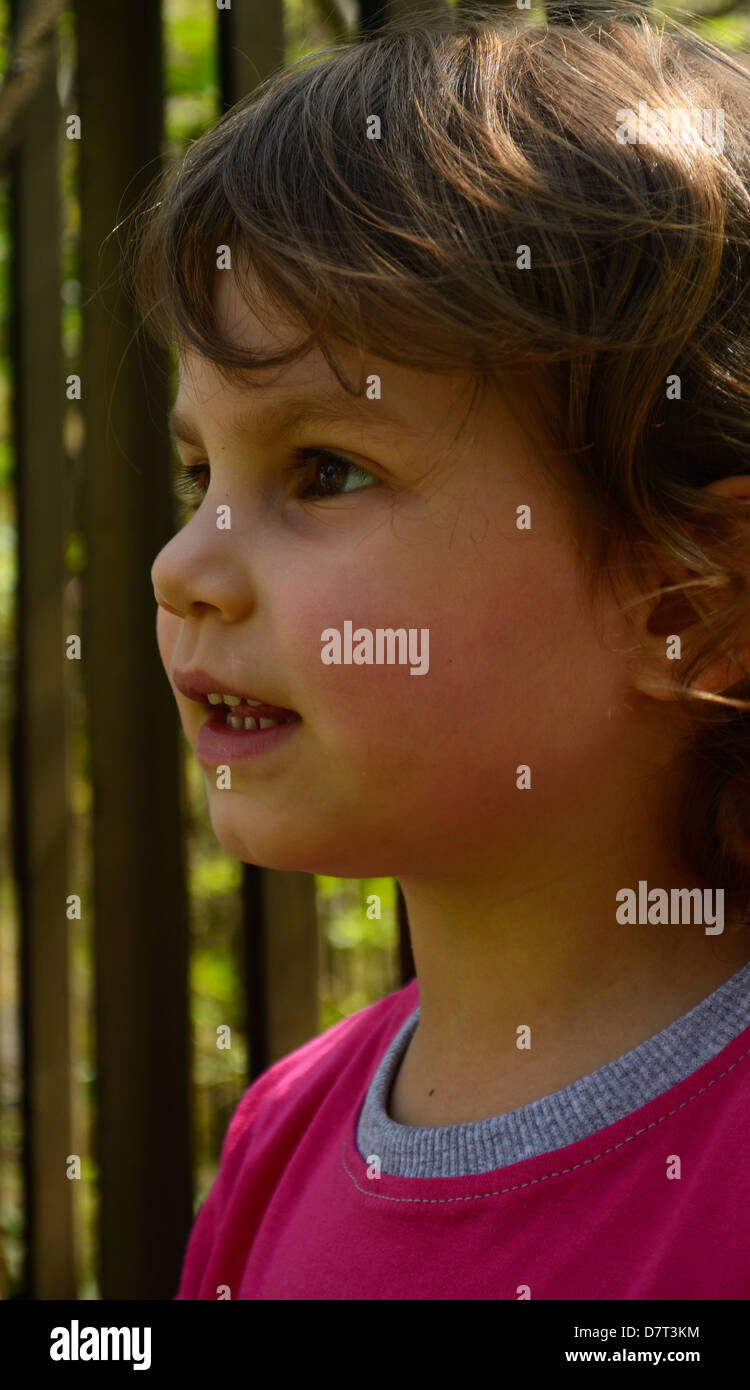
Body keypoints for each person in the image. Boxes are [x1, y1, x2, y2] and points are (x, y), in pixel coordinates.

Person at [133, 2, 750, 1298]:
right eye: (198, 469)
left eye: (325, 468)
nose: (182, 566)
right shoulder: (280, 1129)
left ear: (686, 599)